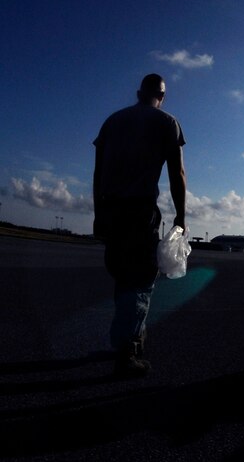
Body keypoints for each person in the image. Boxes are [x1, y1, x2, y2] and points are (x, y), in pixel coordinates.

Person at [93, 74, 186, 377]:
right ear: (163, 96)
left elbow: (97, 172)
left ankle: (129, 338)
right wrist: (181, 217)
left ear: (138, 92)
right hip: (139, 210)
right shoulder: (167, 122)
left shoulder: (112, 121)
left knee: (123, 276)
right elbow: (177, 173)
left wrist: (98, 212)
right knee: (142, 280)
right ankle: (127, 350)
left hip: (110, 208)